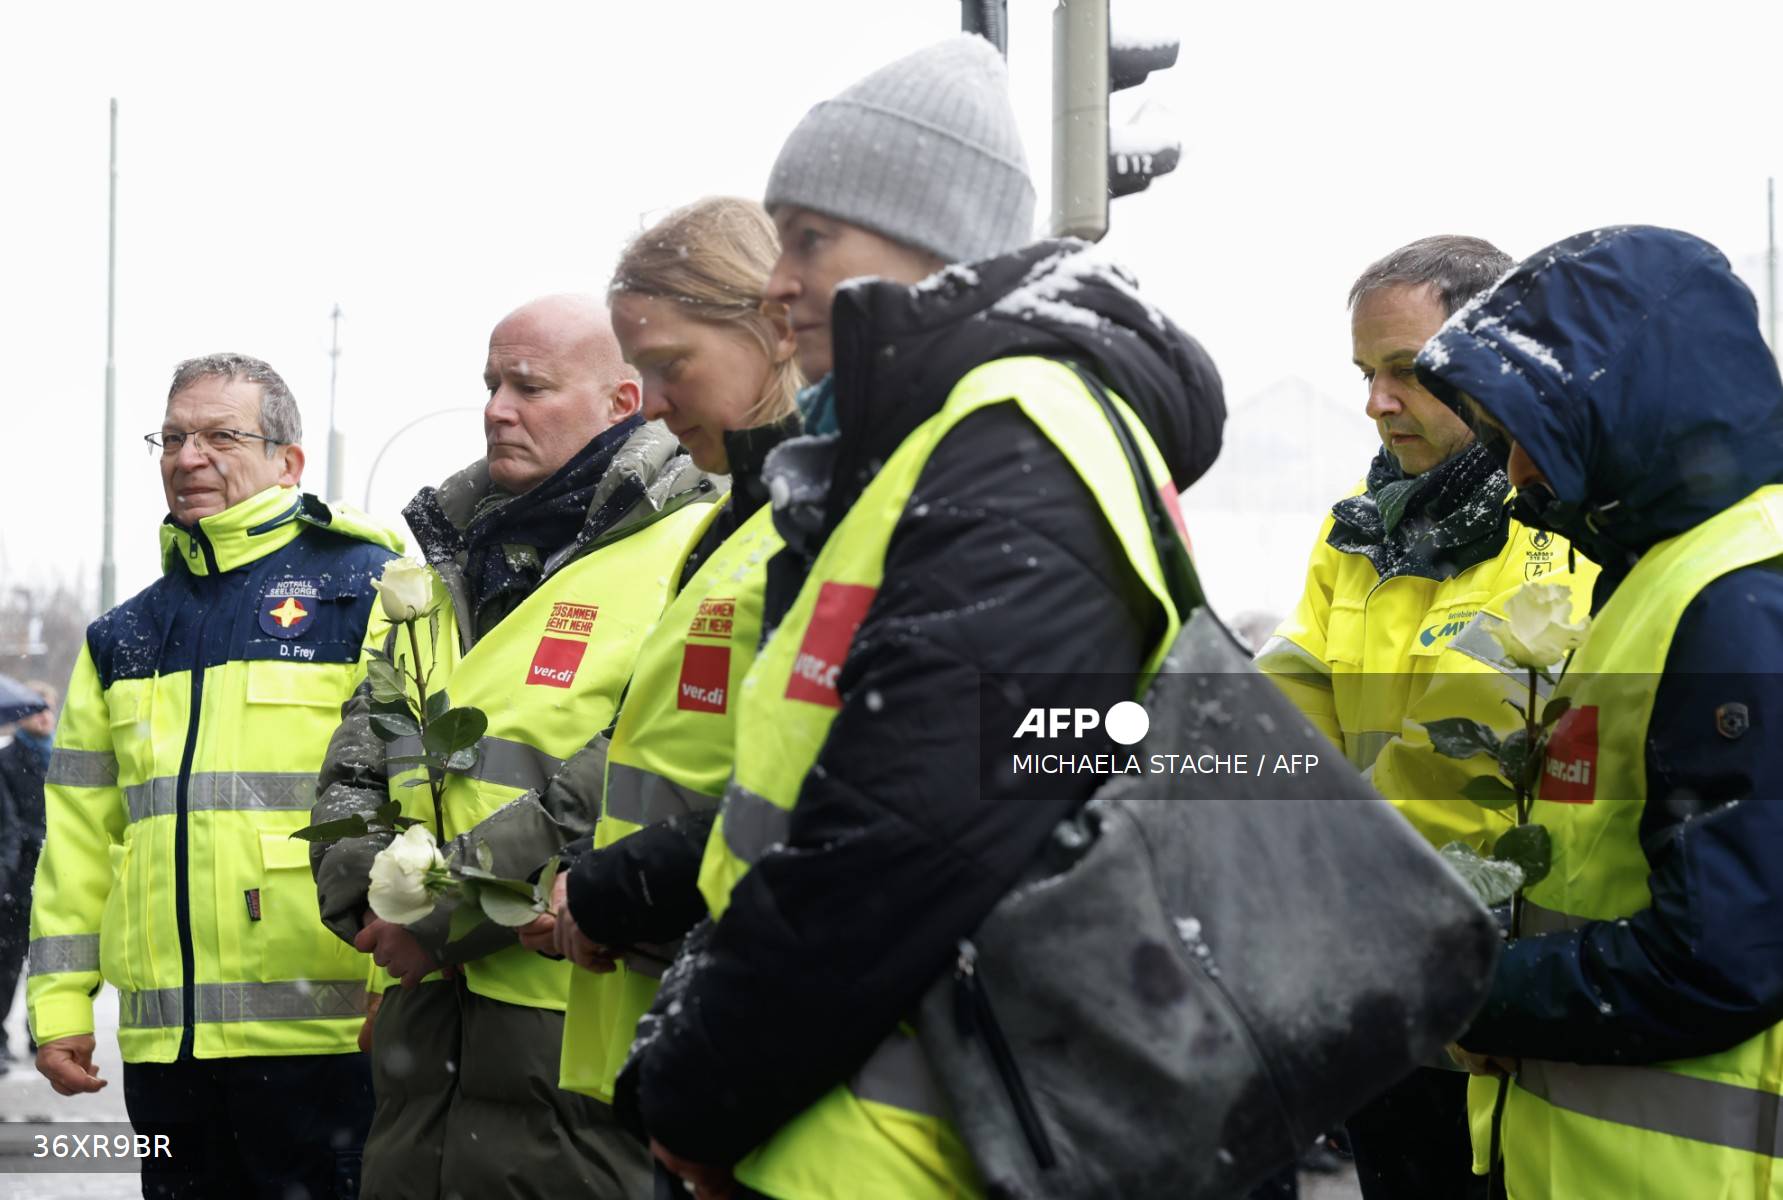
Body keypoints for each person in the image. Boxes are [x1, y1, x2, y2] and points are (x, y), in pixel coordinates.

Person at [616, 35, 1226, 1199]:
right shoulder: (950, 437)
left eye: (810, 238)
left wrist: (700, 1090)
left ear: (933, 235)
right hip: (850, 1129)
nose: (777, 280)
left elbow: (906, 836)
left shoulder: (1013, 441)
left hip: (902, 1147)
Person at [309, 294, 717, 1199]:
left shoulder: (692, 546)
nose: (497, 407)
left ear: (623, 402)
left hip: (566, 1038)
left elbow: (635, 772)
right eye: (492, 384)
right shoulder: (442, 562)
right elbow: (362, 742)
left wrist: (440, 917)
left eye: (529, 385)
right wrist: (363, 889)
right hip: (419, 1046)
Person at [1421, 225, 1783, 1198]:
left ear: (1631, 402)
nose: (1515, 475)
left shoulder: (1731, 603)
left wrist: (1471, 994)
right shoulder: (1669, 581)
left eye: (1531, 429)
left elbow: (1718, 961)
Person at [1254, 237, 1598, 1199]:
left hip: (1503, 999)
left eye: (1404, 372)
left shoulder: (1557, 525)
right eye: (1365, 375)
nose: (1375, 403)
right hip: (1377, 997)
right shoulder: (1355, 532)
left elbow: (1468, 761)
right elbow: (1284, 717)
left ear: (1496, 357)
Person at [28, 353, 401, 1197]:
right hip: (169, 1058)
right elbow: (81, 842)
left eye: (220, 436)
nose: (187, 457)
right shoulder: (122, 636)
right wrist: (57, 1011)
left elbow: (413, 802)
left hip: (330, 1044)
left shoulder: (366, 593)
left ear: (288, 462)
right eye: (172, 437)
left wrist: (399, 984)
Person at [510, 198, 802, 1107]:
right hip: (667, 1013)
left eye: (671, 366)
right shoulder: (733, 518)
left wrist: (621, 888)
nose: (658, 404)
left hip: (743, 1021)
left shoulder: (816, 523)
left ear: (773, 327)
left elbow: (821, 797)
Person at [0, 680, 55, 1072]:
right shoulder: (6, 760)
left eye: (49, 708)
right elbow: (10, 824)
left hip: (56, 879)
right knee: (8, 962)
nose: (44, 715)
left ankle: (44, 1034)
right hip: (19, 878)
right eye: (37, 708)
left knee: (51, 963)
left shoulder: (65, 761)